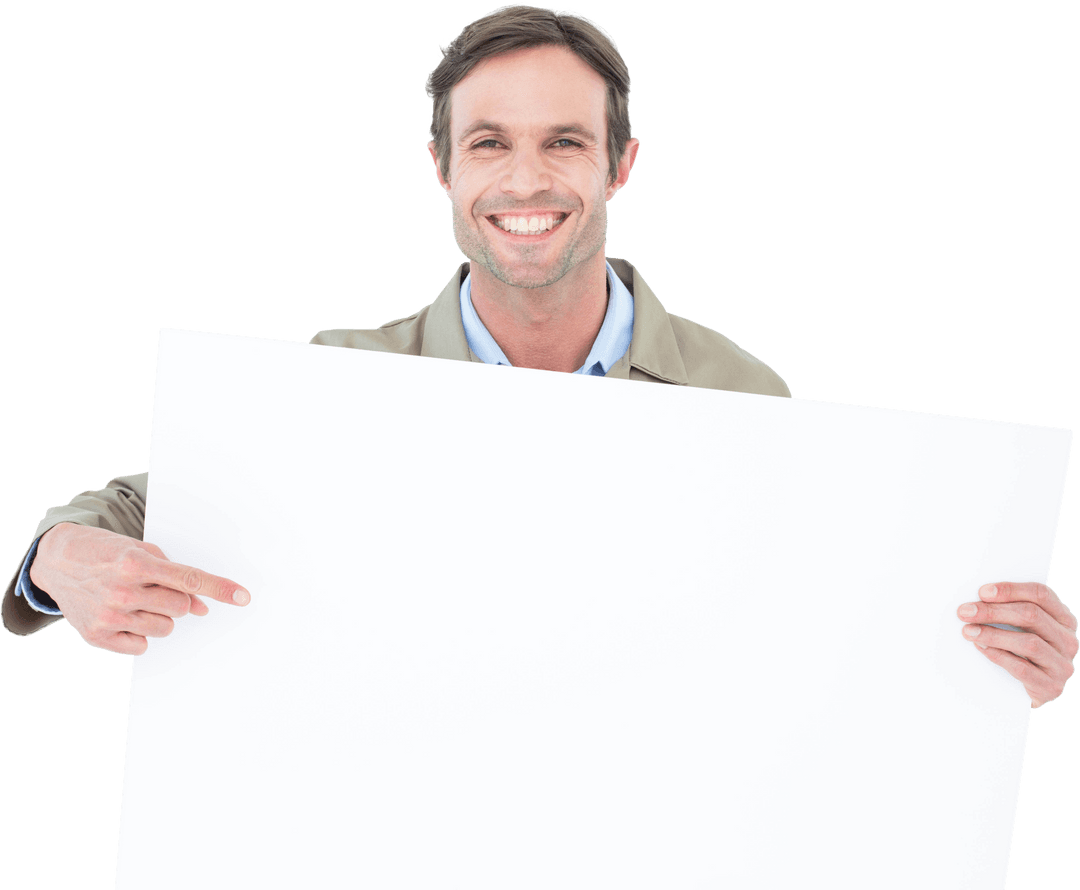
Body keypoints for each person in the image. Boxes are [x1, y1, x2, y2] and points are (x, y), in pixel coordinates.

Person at [2, 5, 1076, 711]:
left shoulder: (746, 395)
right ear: (441, 169)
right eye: (489, 143)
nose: (528, 181)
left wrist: (986, 677)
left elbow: (823, 642)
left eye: (565, 140)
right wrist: (56, 562)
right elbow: (129, 511)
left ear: (621, 164)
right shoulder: (341, 381)